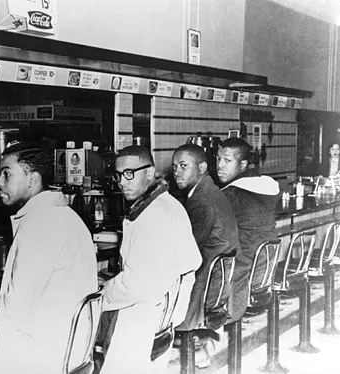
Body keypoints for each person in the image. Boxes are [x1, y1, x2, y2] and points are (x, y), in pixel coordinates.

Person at [0, 143, 98, 373]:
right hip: (73, 350)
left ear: (32, 179)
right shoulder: (67, 216)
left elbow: (15, 312)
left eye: (6, 174)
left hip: (42, 355)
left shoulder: (40, 224)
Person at [100, 145, 202, 374]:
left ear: (149, 172)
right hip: (165, 314)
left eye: (129, 173)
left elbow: (135, 285)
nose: (122, 182)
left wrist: (100, 292)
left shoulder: (154, 215)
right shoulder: (167, 204)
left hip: (142, 318)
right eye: (118, 175)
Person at [171, 144, 240, 368]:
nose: (177, 172)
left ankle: (194, 345)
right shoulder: (209, 190)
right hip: (216, 279)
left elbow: (188, 250)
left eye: (184, 166)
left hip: (204, 284)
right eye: (174, 167)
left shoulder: (201, 200)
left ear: (201, 167)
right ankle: (201, 343)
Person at [216, 137, 280, 323]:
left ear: (243, 163)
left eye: (227, 161)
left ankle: (202, 331)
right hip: (263, 268)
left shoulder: (231, 194)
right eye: (218, 159)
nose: (220, 165)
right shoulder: (265, 187)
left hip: (241, 274)